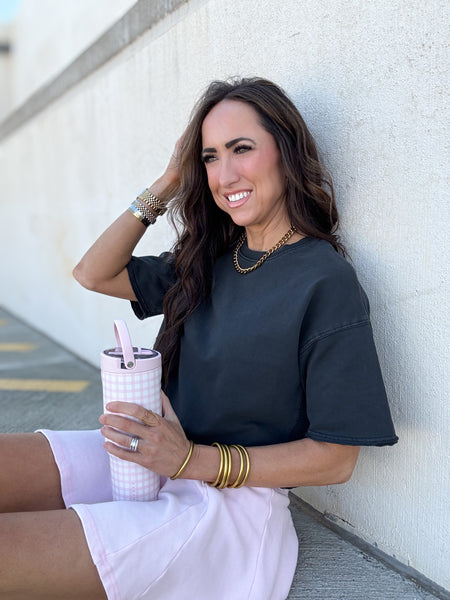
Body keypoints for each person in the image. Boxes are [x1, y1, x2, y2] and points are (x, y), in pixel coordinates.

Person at [0, 77, 398, 600]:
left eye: (242, 149)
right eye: (210, 157)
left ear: (286, 152)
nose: (224, 175)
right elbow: (93, 273)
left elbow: (336, 458)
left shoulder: (324, 281)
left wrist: (190, 461)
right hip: (154, 455)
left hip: (224, 506)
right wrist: (169, 180)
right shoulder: (210, 260)